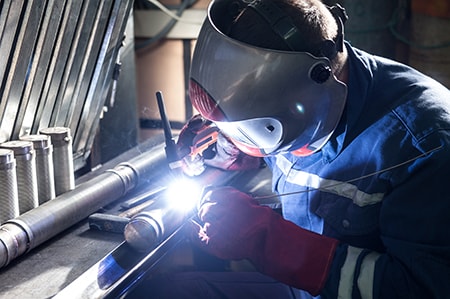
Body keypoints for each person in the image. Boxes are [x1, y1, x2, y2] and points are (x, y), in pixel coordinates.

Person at [132, 0, 450, 298]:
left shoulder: (425, 144)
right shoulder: (303, 100)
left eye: (255, 129)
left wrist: (266, 240)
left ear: (316, 88)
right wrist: (230, 148)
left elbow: (424, 289)